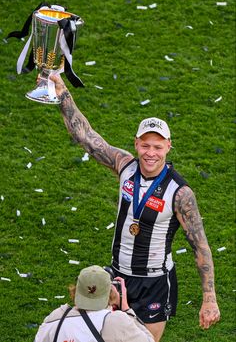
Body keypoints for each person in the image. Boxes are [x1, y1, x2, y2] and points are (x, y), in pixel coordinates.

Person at [48, 75, 220, 342]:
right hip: (117, 278)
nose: (151, 153)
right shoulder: (125, 166)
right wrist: (62, 93)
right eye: (146, 145)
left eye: (158, 146)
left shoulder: (181, 194)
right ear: (136, 143)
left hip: (154, 284)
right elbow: (86, 137)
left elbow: (201, 246)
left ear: (168, 147)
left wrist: (209, 299)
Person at [34, 265, 155, 342]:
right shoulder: (116, 321)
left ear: (75, 291)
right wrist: (126, 308)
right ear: (111, 292)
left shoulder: (55, 318)